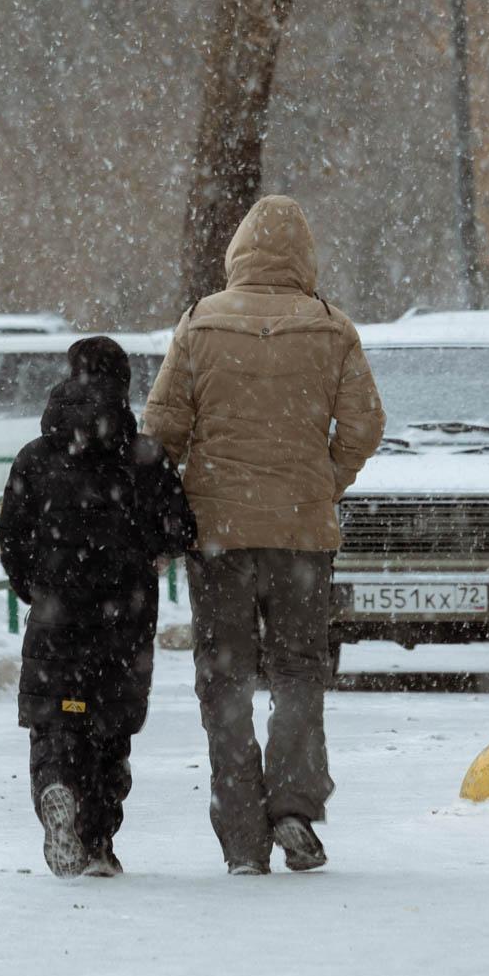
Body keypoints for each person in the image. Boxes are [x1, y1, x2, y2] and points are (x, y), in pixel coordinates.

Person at [144, 195, 386, 876]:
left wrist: (193, 489)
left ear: (238, 253)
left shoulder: (199, 324)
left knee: (223, 680)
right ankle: (294, 807)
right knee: (299, 670)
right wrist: (320, 481)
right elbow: (366, 426)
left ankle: (243, 839)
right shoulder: (332, 329)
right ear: (305, 256)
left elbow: (162, 429)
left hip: (218, 534)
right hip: (302, 538)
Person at [0, 336, 196, 878]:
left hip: (56, 616)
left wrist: (35, 589)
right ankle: (99, 842)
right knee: (109, 730)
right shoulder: (147, 456)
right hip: (124, 622)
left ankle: (56, 786)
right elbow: (182, 529)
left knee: (57, 721)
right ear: (125, 386)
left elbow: (11, 535)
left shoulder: (35, 456)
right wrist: (154, 548)